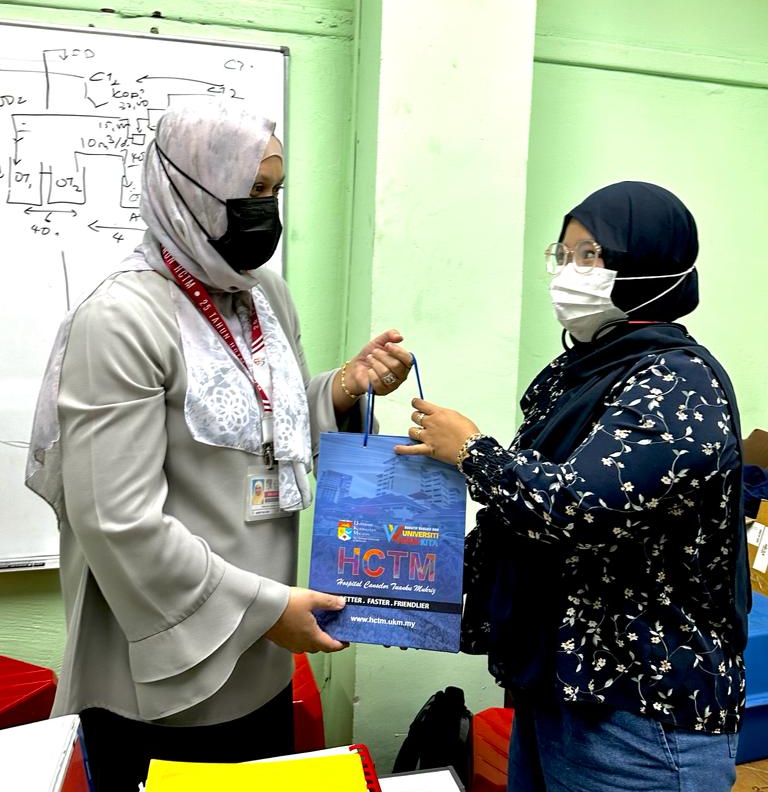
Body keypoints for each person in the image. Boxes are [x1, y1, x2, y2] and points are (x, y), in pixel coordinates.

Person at [26, 102, 412, 792]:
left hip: (263, 655)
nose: (267, 211)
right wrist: (267, 610)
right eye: (252, 191)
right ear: (190, 189)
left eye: (275, 191)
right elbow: (117, 520)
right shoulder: (121, 318)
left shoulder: (264, 296)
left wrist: (341, 389)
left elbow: (267, 427)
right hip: (162, 673)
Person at [395, 182, 748, 792]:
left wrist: (474, 452)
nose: (568, 272)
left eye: (590, 255)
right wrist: (401, 586)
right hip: (560, 686)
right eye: (562, 255)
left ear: (647, 265)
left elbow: (577, 509)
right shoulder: (579, 372)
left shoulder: (678, 384)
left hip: (641, 712)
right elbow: (520, 526)